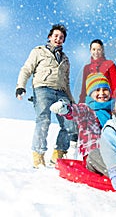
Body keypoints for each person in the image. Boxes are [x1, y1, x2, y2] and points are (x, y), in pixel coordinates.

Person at [15, 24, 77, 168]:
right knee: (44, 120)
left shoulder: (65, 59)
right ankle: (38, 156)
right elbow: (26, 69)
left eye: (61, 37)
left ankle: (58, 155)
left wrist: (71, 101)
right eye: (56, 36)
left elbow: (66, 82)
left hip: (61, 92)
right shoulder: (39, 51)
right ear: (50, 37)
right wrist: (20, 86)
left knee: (69, 123)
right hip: (43, 89)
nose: (58, 39)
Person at [50, 73, 113, 165]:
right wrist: (64, 108)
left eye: (105, 89)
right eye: (97, 90)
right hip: (93, 152)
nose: (102, 93)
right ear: (90, 94)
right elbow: (75, 111)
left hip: (111, 151)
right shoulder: (87, 109)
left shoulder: (114, 110)